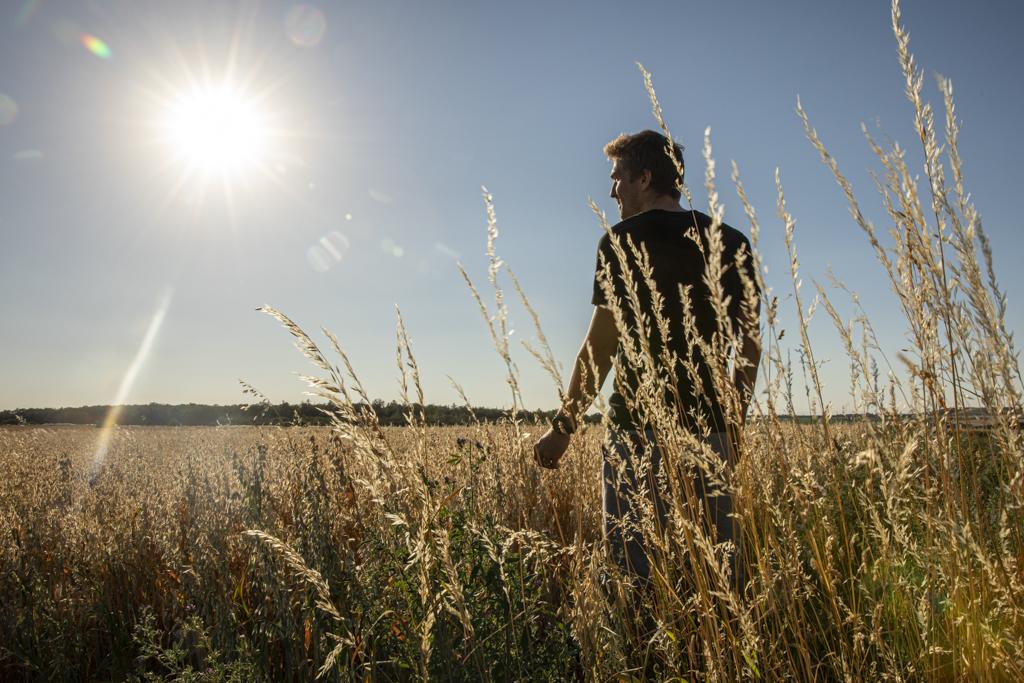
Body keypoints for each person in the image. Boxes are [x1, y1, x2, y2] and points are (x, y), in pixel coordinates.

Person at [532, 129, 761, 590]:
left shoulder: (619, 241)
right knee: (724, 575)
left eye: (617, 177)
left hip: (636, 432)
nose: (612, 189)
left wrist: (562, 429)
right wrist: (732, 423)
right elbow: (750, 343)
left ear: (645, 176)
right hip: (712, 429)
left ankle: (640, 659)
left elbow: (599, 347)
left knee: (630, 576)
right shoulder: (730, 241)